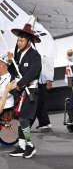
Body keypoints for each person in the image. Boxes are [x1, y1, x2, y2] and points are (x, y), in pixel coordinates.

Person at [8, 22, 42, 158]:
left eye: (22, 40)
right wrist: (11, 61)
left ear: (29, 42)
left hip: (30, 92)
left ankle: (29, 145)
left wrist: (20, 84)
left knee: (24, 120)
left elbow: (33, 73)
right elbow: (13, 70)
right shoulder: (18, 54)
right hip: (19, 91)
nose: (19, 43)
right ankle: (22, 146)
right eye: (18, 40)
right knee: (20, 119)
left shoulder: (34, 55)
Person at [31, 55, 54, 129]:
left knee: (37, 102)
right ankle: (44, 122)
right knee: (39, 102)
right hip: (36, 79)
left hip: (41, 79)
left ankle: (28, 125)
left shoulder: (46, 50)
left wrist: (49, 79)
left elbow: (49, 64)